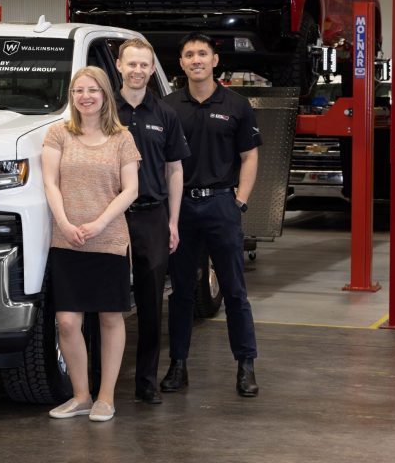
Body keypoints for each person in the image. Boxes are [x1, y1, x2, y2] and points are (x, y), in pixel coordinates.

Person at [162, 33, 262, 398]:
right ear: (182, 63)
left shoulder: (236, 105)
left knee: (235, 291)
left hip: (222, 205)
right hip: (181, 206)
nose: (196, 60)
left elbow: (250, 155)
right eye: (189, 54)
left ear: (215, 60)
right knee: (182, 293)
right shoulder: (169, 106)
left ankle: (246, 366)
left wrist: (240, 200)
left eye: (202, 53)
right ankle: (178, 365)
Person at [42, 66, 141, 422]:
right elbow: (50, 183)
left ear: (105, 95)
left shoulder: (122, 138)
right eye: (78, 91)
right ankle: (81, 395)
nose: (85, 96)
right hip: (68, 239)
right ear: (72, 97)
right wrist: (66, 224)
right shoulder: (58, 134)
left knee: (110, 317)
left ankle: (105, 397)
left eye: (92, 90)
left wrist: (99, 223)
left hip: (109, 239)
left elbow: (131, 188)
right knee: (67, 321)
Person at [113, 38, 189, 405]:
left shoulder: (165, 114)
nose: (138, 71)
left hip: (152, 216)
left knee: (149, 304)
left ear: (151, 68)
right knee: (106, 301)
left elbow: (175, 171)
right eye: (132, 64)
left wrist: (172, 222)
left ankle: (146, 381)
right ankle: (100, 382)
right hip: (110, 219)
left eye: (145, 65)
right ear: (119, 66)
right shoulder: (102, 110)